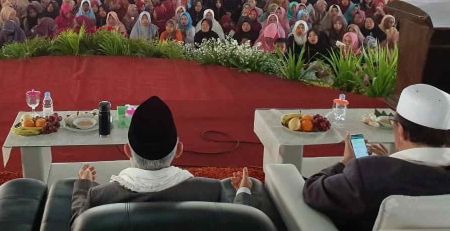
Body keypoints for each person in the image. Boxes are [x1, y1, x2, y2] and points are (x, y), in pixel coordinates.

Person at [71, 96, 282, 228]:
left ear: (127, 150)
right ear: (179, 150)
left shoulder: (99, 196)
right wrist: (243, 192)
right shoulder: (210, 191)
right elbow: (240, 223)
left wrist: (83, 186)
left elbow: (79, 224)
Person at [303, 84, 450, 231]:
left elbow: (313, 191)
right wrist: (391, 162)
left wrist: (345, 162)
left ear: (401, 131)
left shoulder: (369, 172)